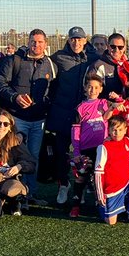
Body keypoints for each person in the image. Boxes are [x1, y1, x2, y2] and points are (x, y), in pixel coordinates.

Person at [0, 28, 55, 208]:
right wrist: (15, 97)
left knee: (33, 157)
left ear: (45, 44)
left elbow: (54, 90)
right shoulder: (14, 60)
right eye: (33, 41)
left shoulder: (50, 64)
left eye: (40, 42)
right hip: (17, 118)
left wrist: (45, 104)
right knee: (14, 155)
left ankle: (29, 194)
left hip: (39, 120)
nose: (36, 45)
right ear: (28, 42)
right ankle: (12, 194)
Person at [49, 26, 94, 205]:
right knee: (61, 152)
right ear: (69, 40)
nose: (76, 42)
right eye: (73, 39)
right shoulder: (58, 57)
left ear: (85, 40)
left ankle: (80, 189)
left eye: (79, 39)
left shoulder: (93, 58)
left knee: (83, 155)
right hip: (62, 114)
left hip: (84, 117)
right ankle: (63, 184)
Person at [68, 74, 121, 219]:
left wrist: (116, 98)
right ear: (85, 88)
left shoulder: (104, 103)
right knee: (81, 177)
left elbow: (119, 105)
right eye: (90, 86)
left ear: (101, 89)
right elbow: (75, 132)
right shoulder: (80, 108)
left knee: (101, 176)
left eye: (96, 87)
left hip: (102, 149)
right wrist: (77, 151)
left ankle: (102, 204)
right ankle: (76, 206)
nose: (93, 89)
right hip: (86, 149)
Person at [93, 33, 129, 99]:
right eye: (113, 47)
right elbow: (91, 92)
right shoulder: (98, 65)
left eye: (120, 47)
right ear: (108, 47)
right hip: (106, 107)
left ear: (125, 48)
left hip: (127, 106)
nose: (116, 50)